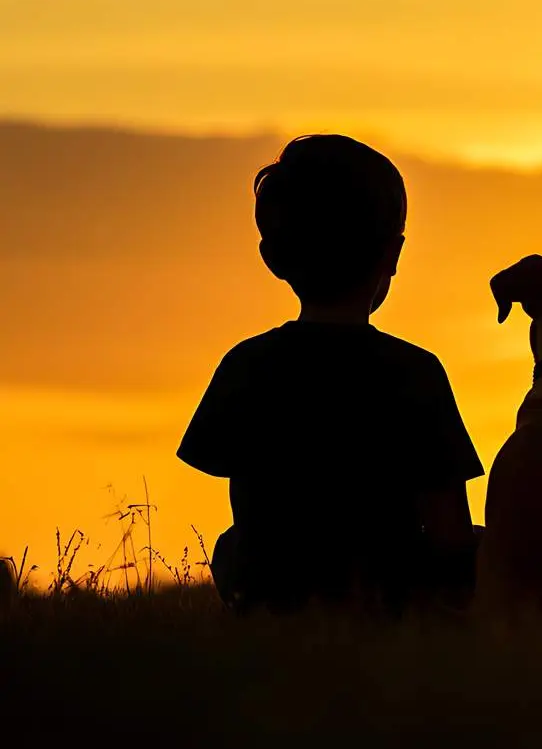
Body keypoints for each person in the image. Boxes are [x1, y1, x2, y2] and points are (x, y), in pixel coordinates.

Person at [177, 135, 483, 616]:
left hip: (275, 597)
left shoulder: (247, 364)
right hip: (390, 602)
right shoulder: (415, 372)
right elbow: (449, 531)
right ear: (393, 254)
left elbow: (245, 509)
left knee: (229, 543)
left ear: (272, 257)